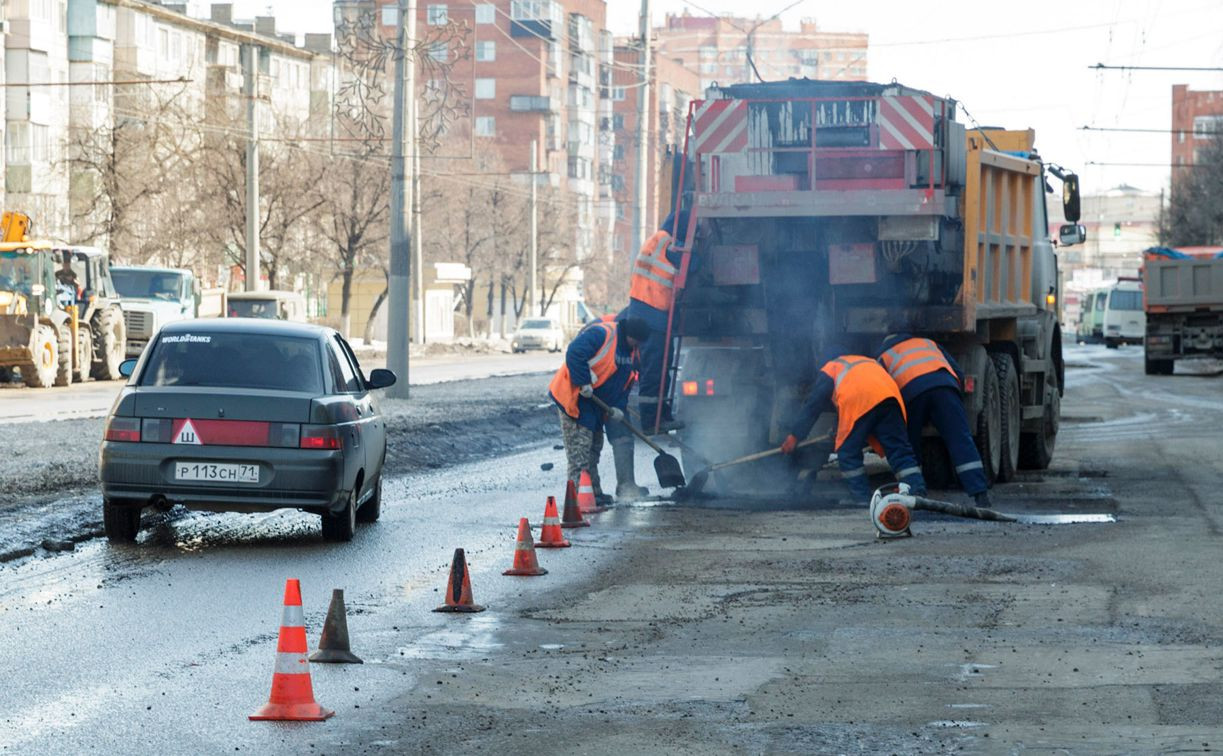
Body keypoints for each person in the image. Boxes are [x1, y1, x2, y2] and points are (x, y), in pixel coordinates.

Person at [780, 352, 926, 503]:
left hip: (860, 402)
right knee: (898, 449)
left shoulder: (831, 367)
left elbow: (813, 405)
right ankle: (915, 491)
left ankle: (861, 498)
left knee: (848, 452)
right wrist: (838, 428)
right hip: (890, 399)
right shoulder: (868, 362)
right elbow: (847, 397)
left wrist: (795, 435)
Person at [876, 334, 991, 507]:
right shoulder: (928, 343)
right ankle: (980, 494)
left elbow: (884, 392)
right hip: (945, 388)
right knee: (960, 439)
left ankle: (916, 492)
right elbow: (958, 372)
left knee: (910, 445)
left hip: (911, 395)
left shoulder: (884, 356)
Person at [549, 316, 651, 505]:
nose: (637, 345)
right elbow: (574, 352)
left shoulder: (631, 351)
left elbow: (625, 382)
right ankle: (578, 500)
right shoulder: (602, 334)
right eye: (636, 341)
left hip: (595, 404)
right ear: (630, 335)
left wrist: (618, 408)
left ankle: (593, 493)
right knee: (579, 453)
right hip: (574, 398)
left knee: (594, 449)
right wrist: (583, 381)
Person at [628, 210, 688, 432]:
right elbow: (692, 264)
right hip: (652, 313)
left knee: (660, 367)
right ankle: (651, 422)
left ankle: (661, 417)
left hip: (648, 311)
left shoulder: (658, 239)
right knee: (655, 370)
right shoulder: (669, 244)